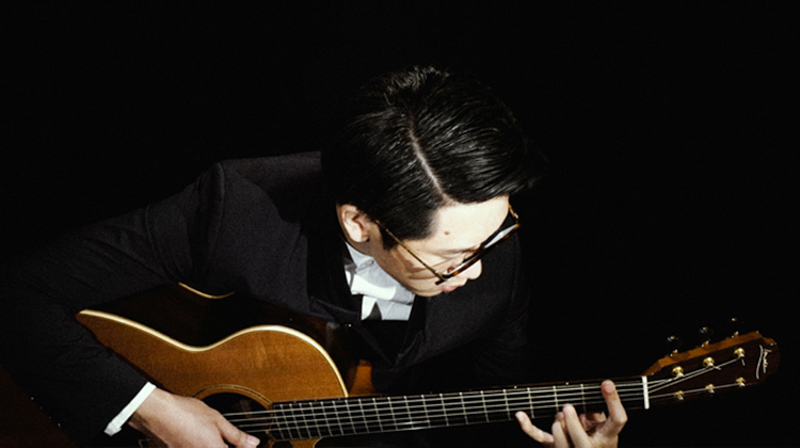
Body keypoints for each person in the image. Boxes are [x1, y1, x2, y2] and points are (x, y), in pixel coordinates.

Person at [0, 66, 626, 447]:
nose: (481, 268)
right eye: (453, 255)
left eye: (497, 233)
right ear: (359, 222)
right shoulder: (234, 211)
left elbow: (484, 405)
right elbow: (16, 296)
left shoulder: (491, 252)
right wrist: (149, 410)